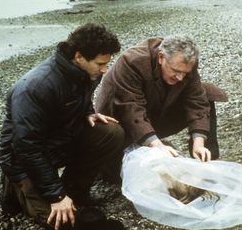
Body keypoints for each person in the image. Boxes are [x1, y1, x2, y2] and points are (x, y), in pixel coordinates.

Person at [0, 23, 124, 230]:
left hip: (60, 141)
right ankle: (15, 188)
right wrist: (56, 196)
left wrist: (88, 111)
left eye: (106, 63)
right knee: (66, 224)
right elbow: (27, 148)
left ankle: (74, 189)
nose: (105, 70)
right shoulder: (35, 87)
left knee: (111, 132)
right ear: (78, 56)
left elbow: (79, 97)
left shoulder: (87, 72)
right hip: (24, 158)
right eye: (100, 64)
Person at [95, 35, 227, 162]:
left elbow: (197, 101)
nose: (180, 78)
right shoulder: (132, 62)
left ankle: (206, 159)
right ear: (161, 57)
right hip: (120, 123)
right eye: (176, 71)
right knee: (123, 173)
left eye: (184, 73)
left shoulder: (186, 63)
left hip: (154, 112)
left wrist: (199, 142)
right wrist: (157, 145)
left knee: (207, 96)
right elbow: (131, 108)